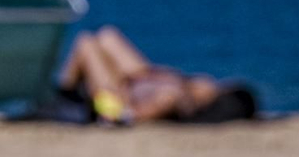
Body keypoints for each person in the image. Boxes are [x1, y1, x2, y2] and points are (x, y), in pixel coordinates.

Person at [59, 25, 258, 124]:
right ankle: (65, 92)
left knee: (86, 43)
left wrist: (114, 110)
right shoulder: (190, 90)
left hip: (117, 99)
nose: (210, 81)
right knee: (108, 35)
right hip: (140, 78)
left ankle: (63, 97)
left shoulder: (172, 99)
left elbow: (129, 116)